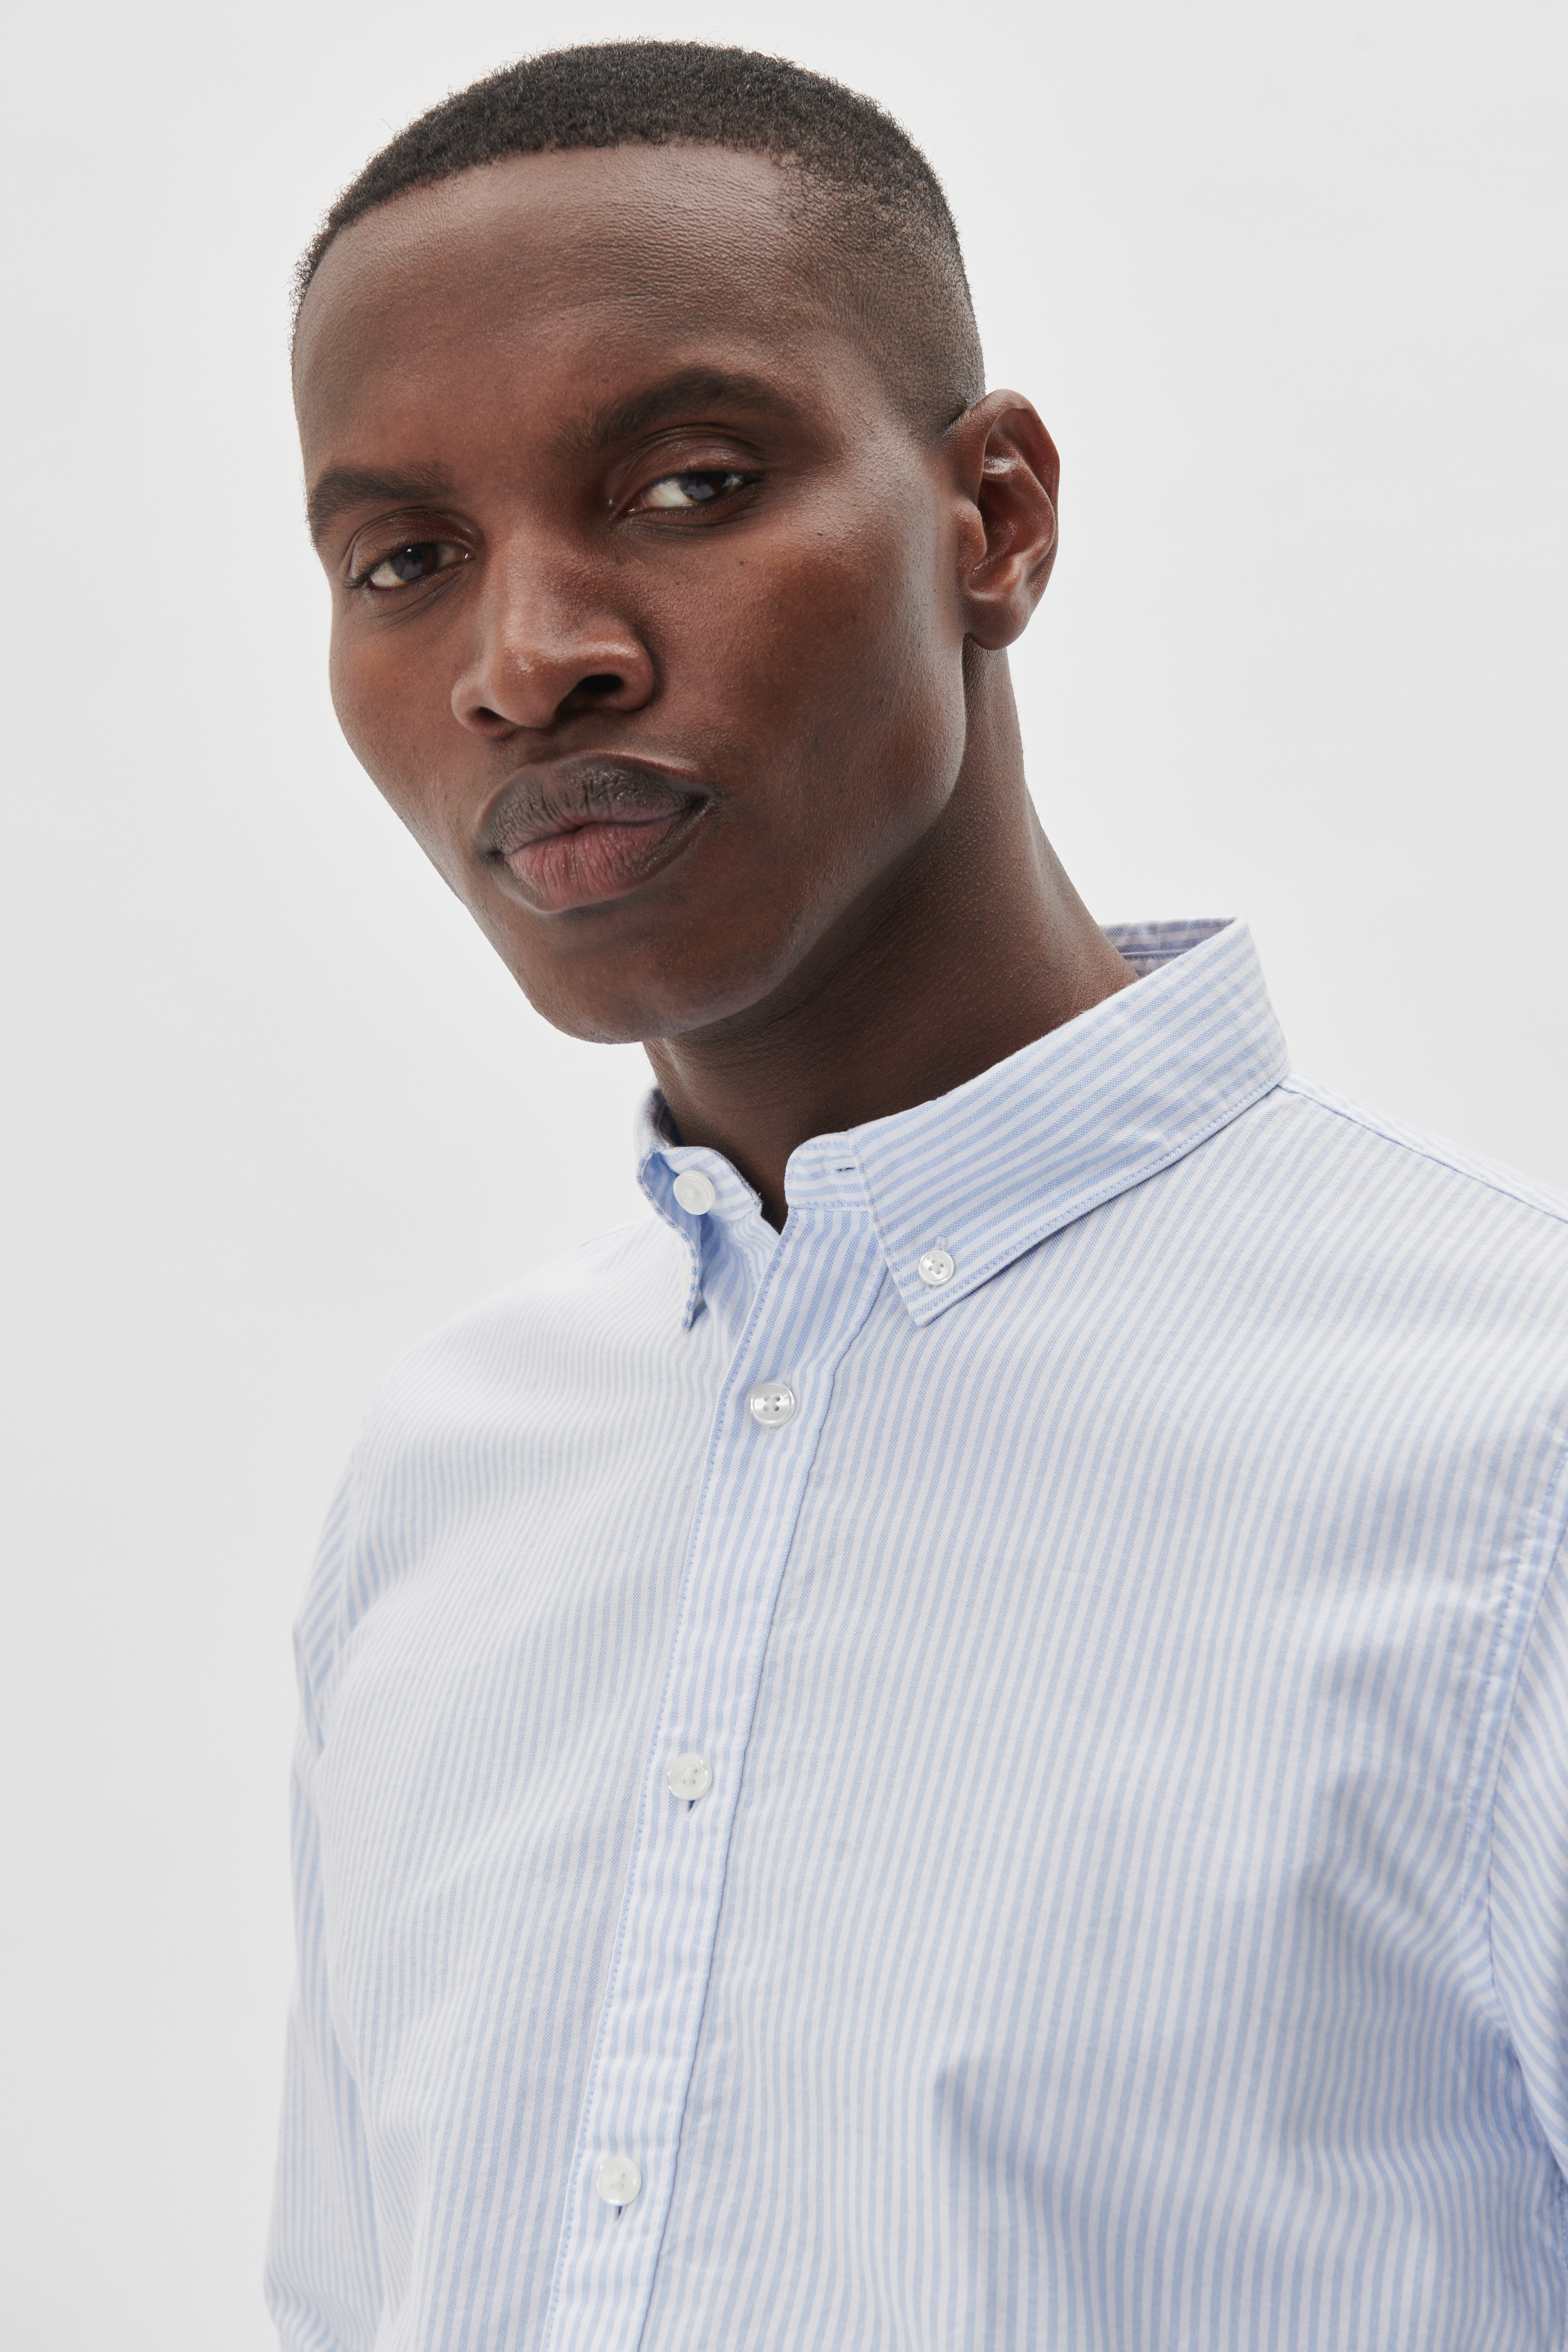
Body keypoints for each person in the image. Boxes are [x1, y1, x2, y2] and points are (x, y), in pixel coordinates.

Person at [269, 40, 1568, 2352]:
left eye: (689, 484)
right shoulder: (439, 1494)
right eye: (406, 560)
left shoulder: (1514, 1450)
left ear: (995, 520)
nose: (529, 660)